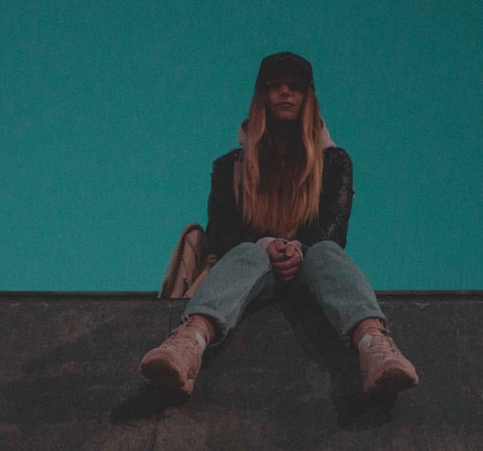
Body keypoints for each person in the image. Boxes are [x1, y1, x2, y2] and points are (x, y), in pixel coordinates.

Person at [139, 52, 419, 396]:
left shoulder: (334, 162)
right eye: (276, 87)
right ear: (262, 97)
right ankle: (187, 344)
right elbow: (219, 230)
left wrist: (298, 249)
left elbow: (335, 226)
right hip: (252, 273)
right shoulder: (231, 166)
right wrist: (266, 245)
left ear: (307, 99)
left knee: (327, 252)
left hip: (310, 268)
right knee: (246, 252)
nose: (286, 93)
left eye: (296, 87)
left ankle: (375, 348)